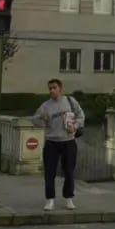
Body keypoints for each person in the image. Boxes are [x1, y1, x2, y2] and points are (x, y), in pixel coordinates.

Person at [33, 78, 85, 211]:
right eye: (50, 88)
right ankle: (50, 200)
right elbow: (35, 120)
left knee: (69, 171)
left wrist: (76, 125)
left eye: (54, 87)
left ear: (60, 88)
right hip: (52, 142)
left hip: (68, 141)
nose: (52, 90)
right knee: (49, 173)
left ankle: (69, 198)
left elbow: (80, 116)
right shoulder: (45, 106)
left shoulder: (70, 102)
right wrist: (43, 120)